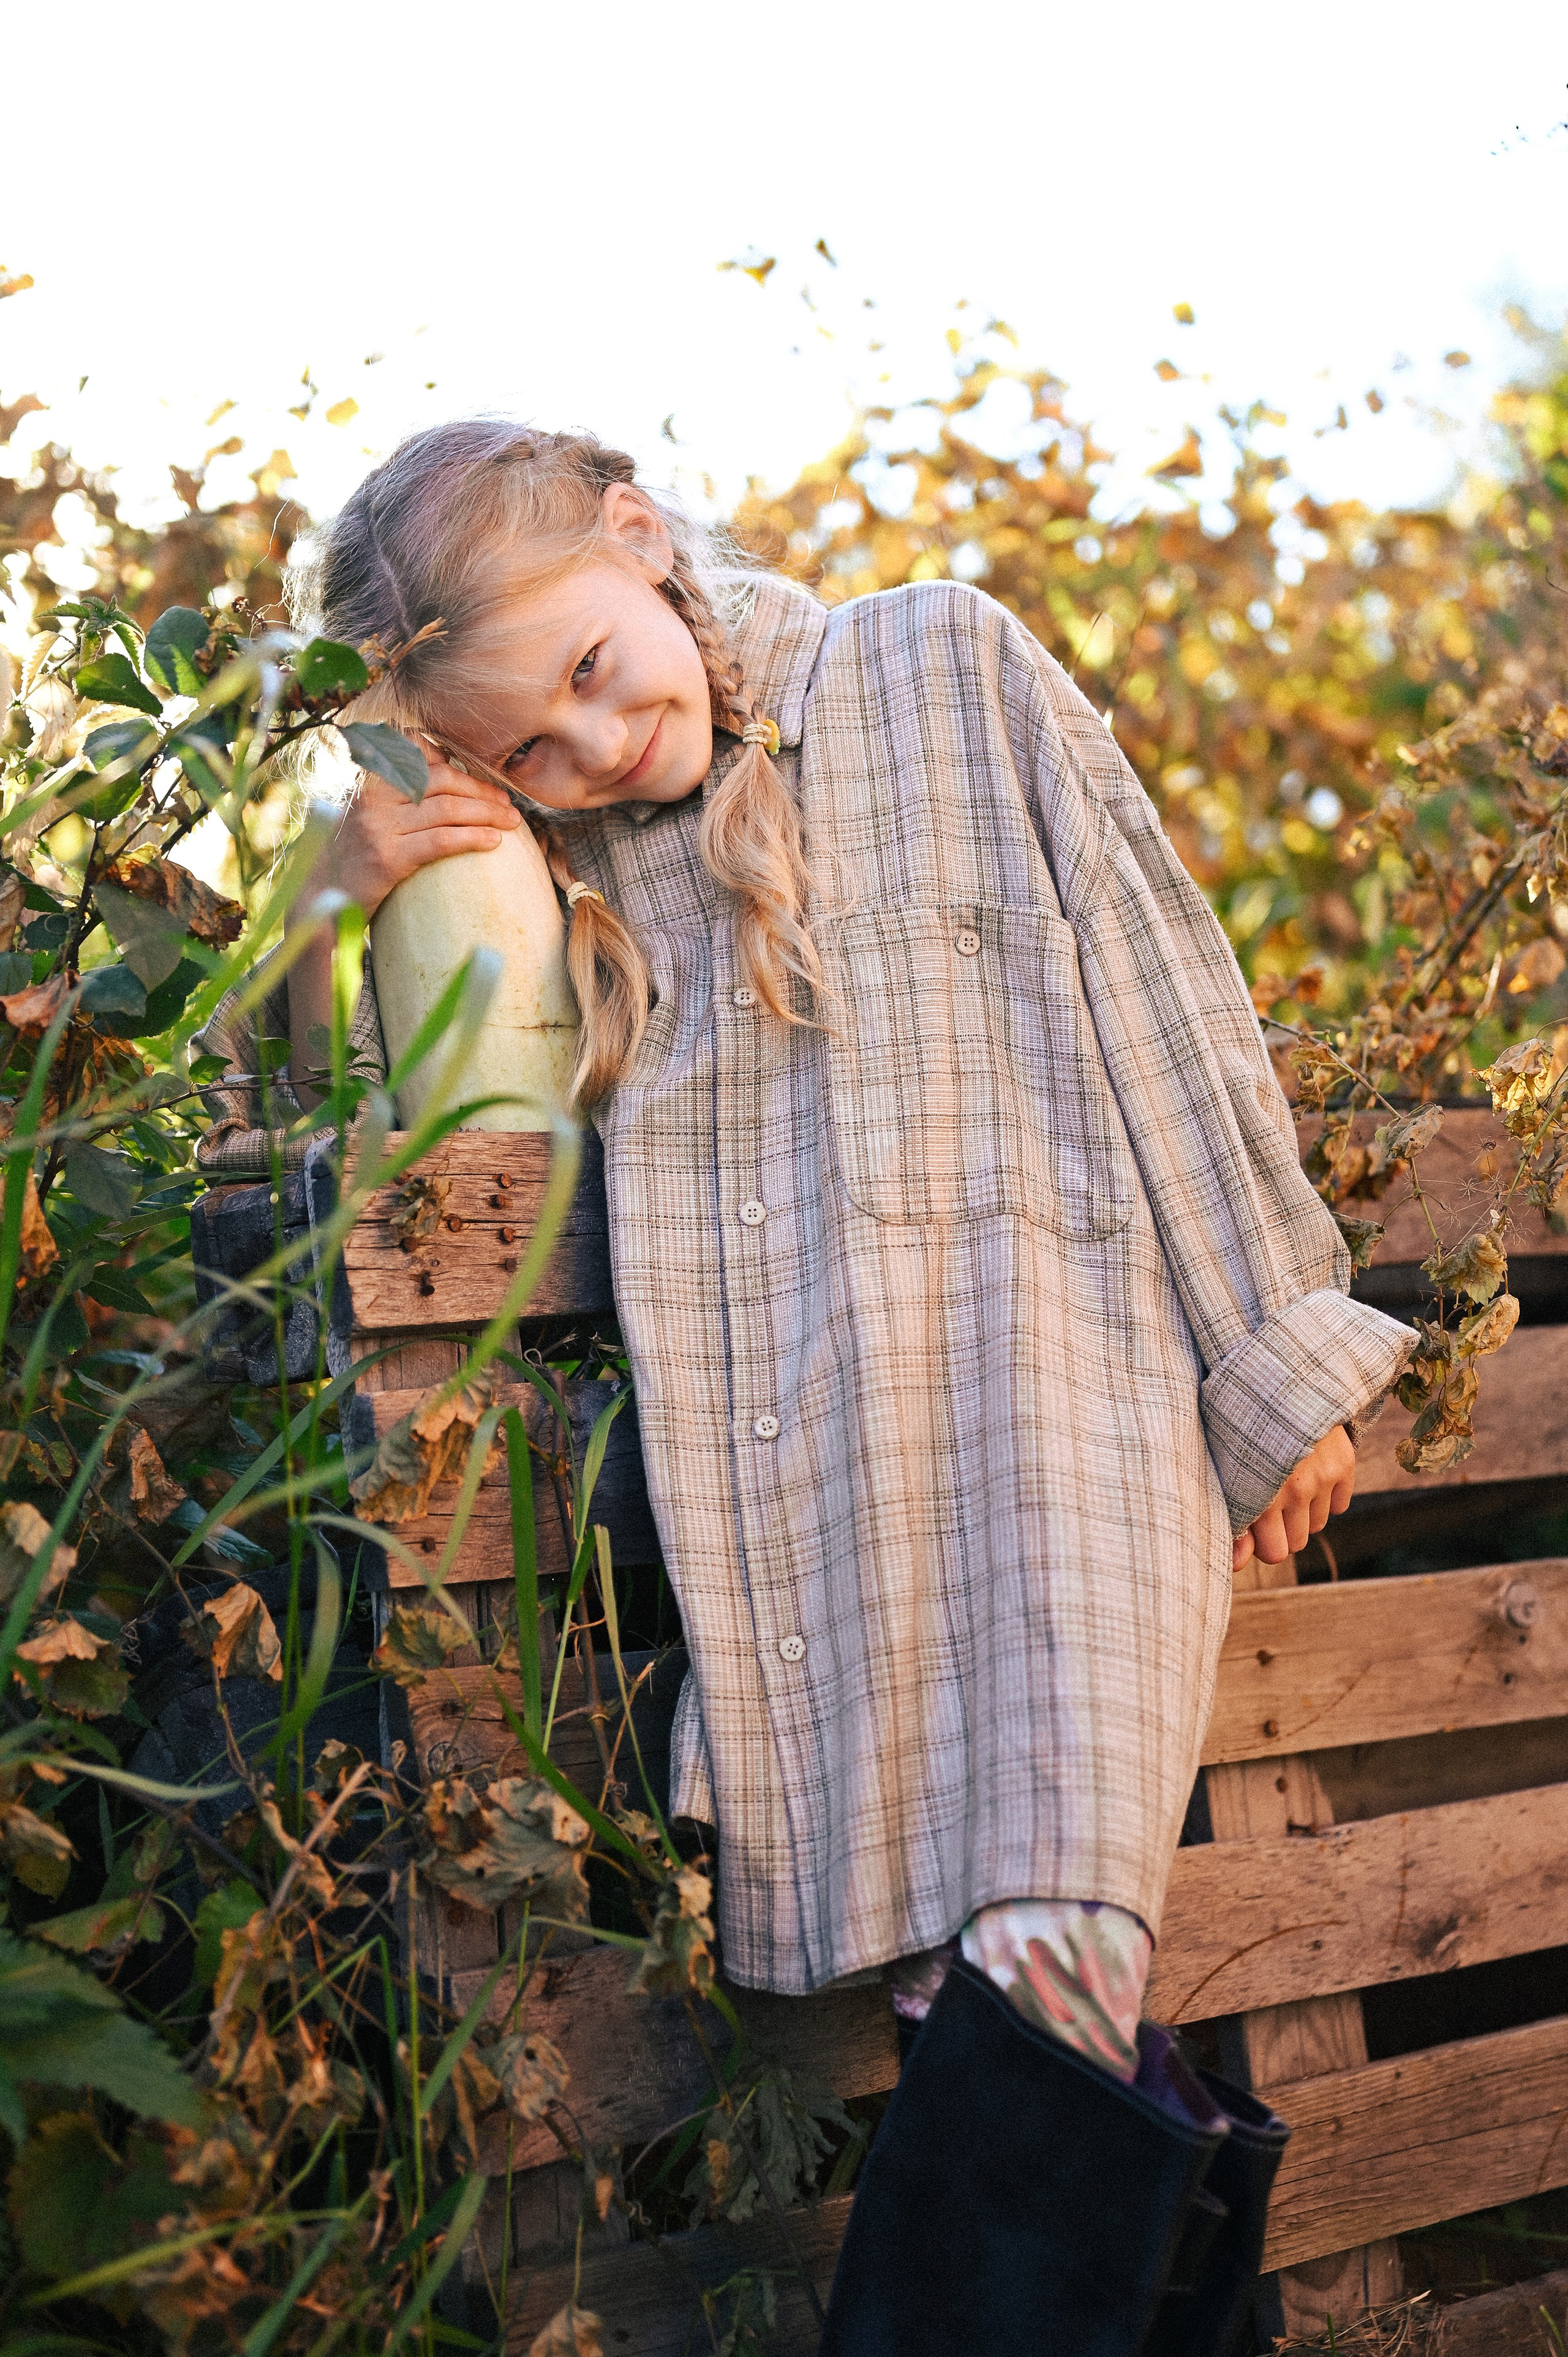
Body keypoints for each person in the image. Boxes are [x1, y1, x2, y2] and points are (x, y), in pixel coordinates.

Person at [199, 423, 1411, 2353]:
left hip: (1064, 1433)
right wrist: (327, 902)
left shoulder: (940, 661)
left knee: (1052, 1951)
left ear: (636, 532)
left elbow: (1166, 997)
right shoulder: (554, 873)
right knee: (984, 2007)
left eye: (592, 671)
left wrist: (1278, 1354)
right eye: (527, 746)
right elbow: (315, 1155)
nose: (593, 748)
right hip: (813, 1504)